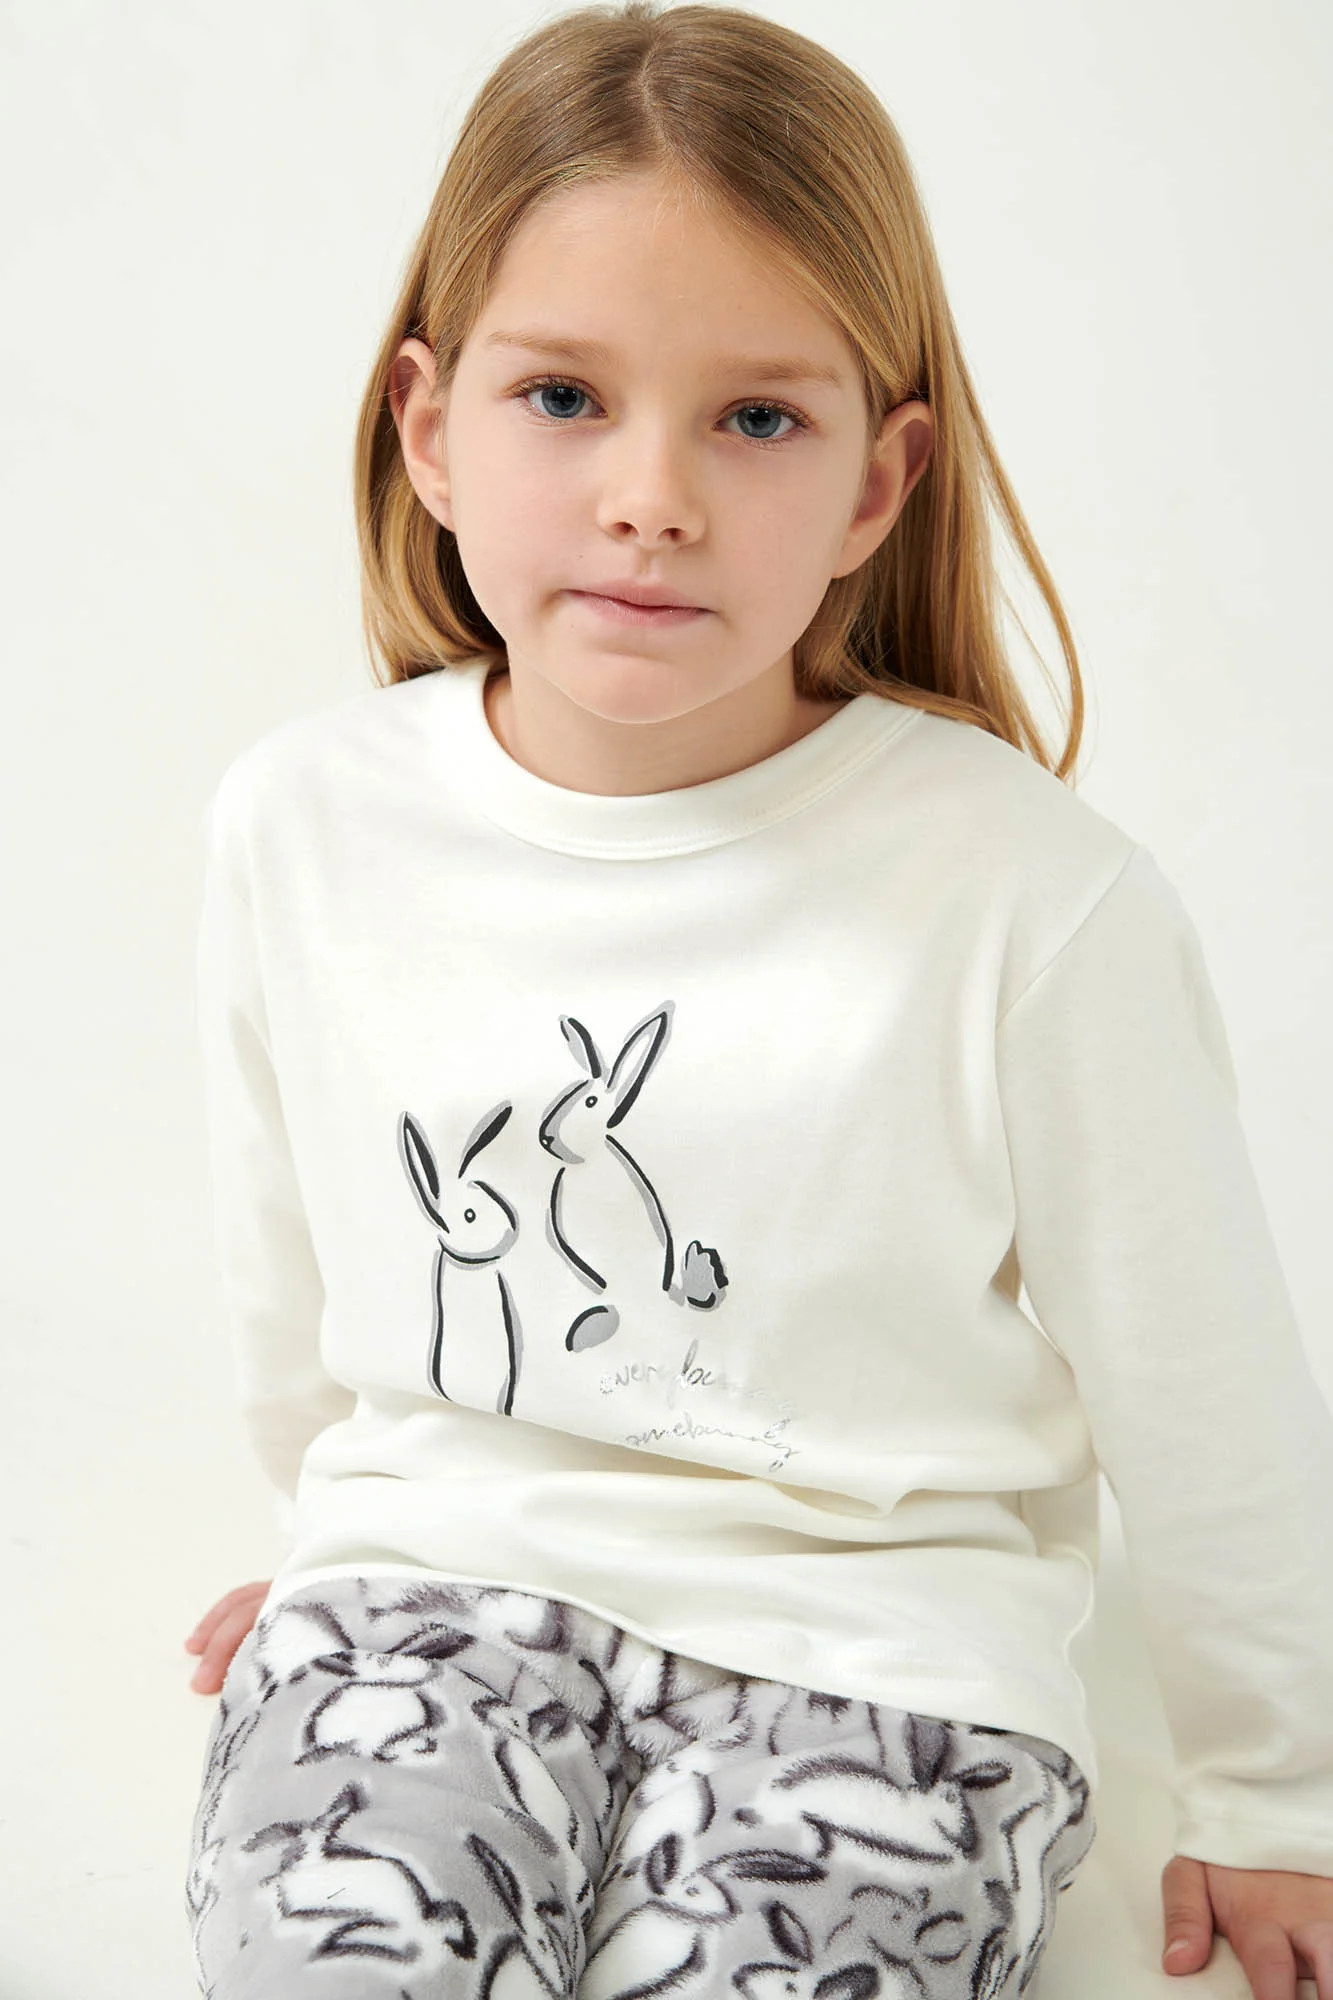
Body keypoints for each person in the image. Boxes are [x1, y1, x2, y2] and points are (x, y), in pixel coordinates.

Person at [182, 4, 1333, 1996]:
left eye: (755, 420)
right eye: (563, 397)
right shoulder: (304, 821)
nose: (651, 495)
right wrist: (335, 1556)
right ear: (428, 427)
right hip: (437, 1592)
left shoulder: (1027, 896)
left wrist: (1276, 1793)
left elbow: (1201, 1381)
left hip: (880, 1650)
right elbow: (291, 1272)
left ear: (880, 484)